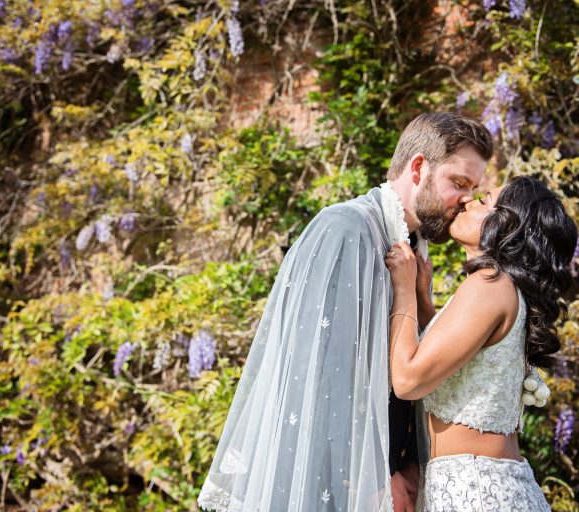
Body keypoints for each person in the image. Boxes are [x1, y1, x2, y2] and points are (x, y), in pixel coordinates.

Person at [198, 113, 493, 511]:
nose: (466, 199)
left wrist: (408, 467)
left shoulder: (413, 249)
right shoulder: (346, 229)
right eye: (458, 183)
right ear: (419, 168)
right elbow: (320, 377)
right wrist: (368, 480)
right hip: (340, 481)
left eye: (472, 188)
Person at [385, 176, 578, 511]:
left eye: (485, 200)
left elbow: (408, 379)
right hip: (480, 486)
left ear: (509, 227)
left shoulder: (491, 284)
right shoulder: (505, 289)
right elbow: (457, 363)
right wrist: (423, 299)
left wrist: (403, 292)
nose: (468, 202)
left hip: (474, 490)